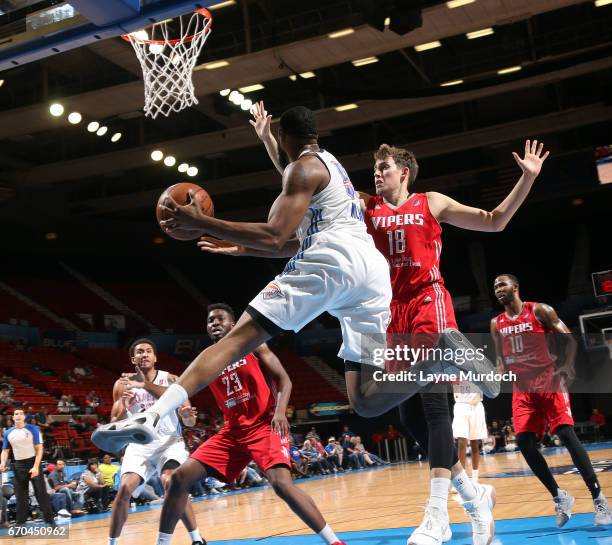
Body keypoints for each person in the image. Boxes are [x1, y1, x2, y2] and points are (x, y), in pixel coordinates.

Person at [92, 105, 495, 455]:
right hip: (371, 277)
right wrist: (246, 246)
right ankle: (441, 357)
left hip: (333, 264)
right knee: (367, 401)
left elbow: (275, 235)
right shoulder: (328, 165)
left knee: (234, 340)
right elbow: (289, 231)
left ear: (286, 136)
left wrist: (200, 222)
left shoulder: (303, 169)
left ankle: (150, 417)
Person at [154, 303, 346, 545]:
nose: (214, 323)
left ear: (233, 325)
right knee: (179, 478)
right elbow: (177, 390)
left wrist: (280, 413)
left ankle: (334, 542)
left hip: (264, 426)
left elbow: (284, 380)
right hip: (232, 433)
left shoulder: (253, 344)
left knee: (281, 484)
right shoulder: (206, 361)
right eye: (210, 321)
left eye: (220, 319)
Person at [491, 273, 612, 527]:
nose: (498, 289)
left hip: (548, 380)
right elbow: (501, 356)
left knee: (567, 435)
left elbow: (568, 337)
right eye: (495, 287)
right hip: (522, 389)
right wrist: (499, 369)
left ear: (516, 286)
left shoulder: (539, 311)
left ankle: (599, 498)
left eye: (502, 284)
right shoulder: (496, 323)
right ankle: (560, 497)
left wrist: (567, 365)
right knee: (524, 443)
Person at [105, 339, 204, 545]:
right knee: (123, 490)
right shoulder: (122, 384)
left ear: (155, 357)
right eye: (140, 352)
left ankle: (196, 538)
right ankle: (111, 543)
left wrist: (186, 415)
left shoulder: (171, 379)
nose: (144, 354)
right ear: (133, 359)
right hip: (140, 447)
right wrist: (124, 405)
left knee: (171, 481)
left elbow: (190, 420)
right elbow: (115, 422)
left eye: (149, 351)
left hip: (169, 443)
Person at [0, 408, 55, 526]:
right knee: (21, 496)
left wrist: (35, 467)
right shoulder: (8, 433)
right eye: (16, 414)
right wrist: (2, 463)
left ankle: (50, 521)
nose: (18, 415)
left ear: (24, 417)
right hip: (18, 465)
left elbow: (39, 449)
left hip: (33, 462)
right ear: (13, 418)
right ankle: (20, 524)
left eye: (20, 413)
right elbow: (5, 451)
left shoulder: (33, 429)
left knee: (41, 493)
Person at [452, 381, 488, 483]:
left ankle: (475, 477)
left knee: (475, 443)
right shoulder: (454, 366)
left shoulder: (479, 366)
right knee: (461, 442)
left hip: (477, 405)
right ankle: (462, 480)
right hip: (461, 405)